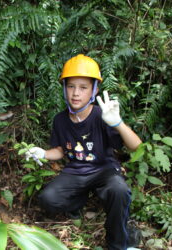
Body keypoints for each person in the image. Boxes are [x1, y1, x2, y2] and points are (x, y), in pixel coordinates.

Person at [25, 54, 142, 250]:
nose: (76, 93)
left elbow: (136, 146)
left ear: (94, 90)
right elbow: (61, 151)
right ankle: (80, 201)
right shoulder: (60, 120)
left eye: (83, 87)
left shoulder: (101, 115)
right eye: (71, 86)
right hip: (76, 171)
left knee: (119, 190)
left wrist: (117, 123)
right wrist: (43, 153)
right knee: (48, 199)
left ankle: (118, 243)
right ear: (64, 88)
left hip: (104, 169)